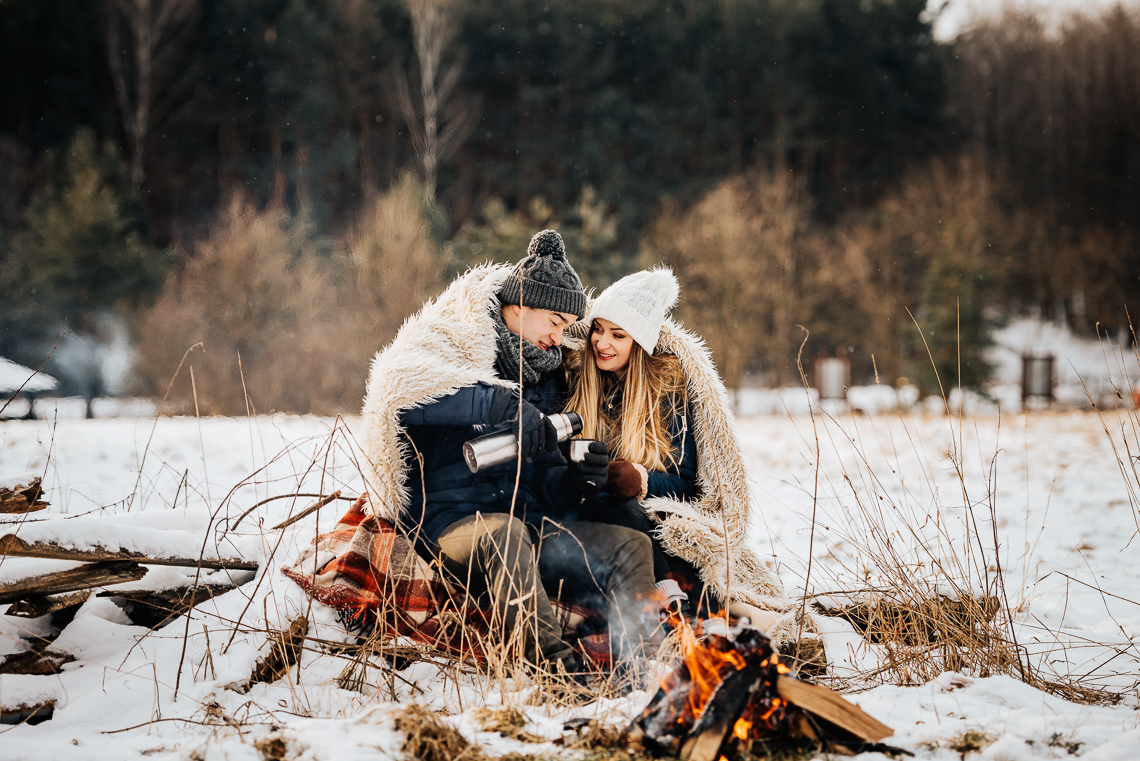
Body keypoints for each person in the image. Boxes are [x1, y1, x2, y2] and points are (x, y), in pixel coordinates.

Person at [356, 230, 659, 681]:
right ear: (519, 306)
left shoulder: (546, 380)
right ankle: (557, 673)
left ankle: (638, 670)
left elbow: (545, 481)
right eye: (554, 321)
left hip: (526, 529)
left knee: (631, 547)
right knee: (506, 534)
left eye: (566, 326)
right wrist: (500, 403)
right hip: (452, 530)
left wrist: (576, 479)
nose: (559, 336)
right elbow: (401, 395)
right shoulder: (453, 345)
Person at [564, 268, 810, 645]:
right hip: (591, 522)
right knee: (613, 511)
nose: (602, 342)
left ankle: (696, 613)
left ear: (639, 342)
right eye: (598, 329)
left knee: (636, 514)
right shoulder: (581, 381)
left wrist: (640, 479)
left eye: (618, 335)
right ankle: (704, 613)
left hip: (649, 519)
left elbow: (690, 487)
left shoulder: (667, 394)